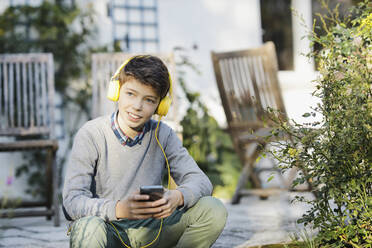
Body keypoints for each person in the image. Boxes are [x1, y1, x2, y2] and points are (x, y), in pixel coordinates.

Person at [62, 55, 227, 248]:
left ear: (160, 106)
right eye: (130, 94)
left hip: (152, 231)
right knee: (87, 227)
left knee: (213, 209)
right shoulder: (91, 134)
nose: (137, 106)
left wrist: (177, 197)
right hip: (108, 231)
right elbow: (72, 202)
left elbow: (201, 181)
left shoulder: (163, 134)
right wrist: (119, 209)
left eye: (149, 100)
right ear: (116, 91)